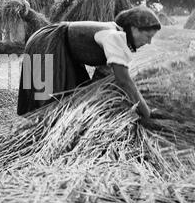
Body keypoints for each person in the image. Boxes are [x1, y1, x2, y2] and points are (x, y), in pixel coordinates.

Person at [17, 6, 162, 121]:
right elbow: (124, 80)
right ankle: (33, 137)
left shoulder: (117, 34)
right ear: (135, 28)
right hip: (48, 44)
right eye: (148, 36)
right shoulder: (115, 37)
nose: (148, 42)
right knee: (46, 101)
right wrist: (146, 113)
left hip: (63, 51)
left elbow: (103, 78)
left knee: (70, 98)